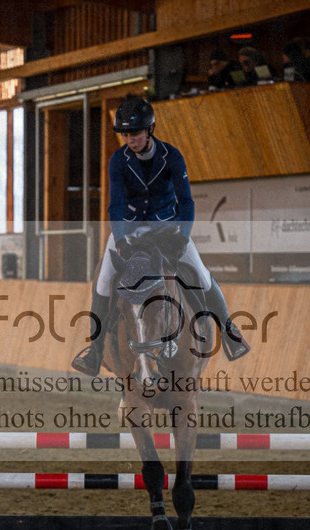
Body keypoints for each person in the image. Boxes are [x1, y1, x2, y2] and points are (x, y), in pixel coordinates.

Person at [71, 96, 251, 376]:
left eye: (136, 133)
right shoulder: (118, 161)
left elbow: (187, 202)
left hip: (167, 230)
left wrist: (183, 235)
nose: (131, 139)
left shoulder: (172, 156)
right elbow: (115, 205)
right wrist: (119, 239)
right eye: (126, 135)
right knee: (105, 280)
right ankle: (94, 351)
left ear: (150, 129)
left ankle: (230, 332)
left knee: (201, 275)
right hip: (130, 232)